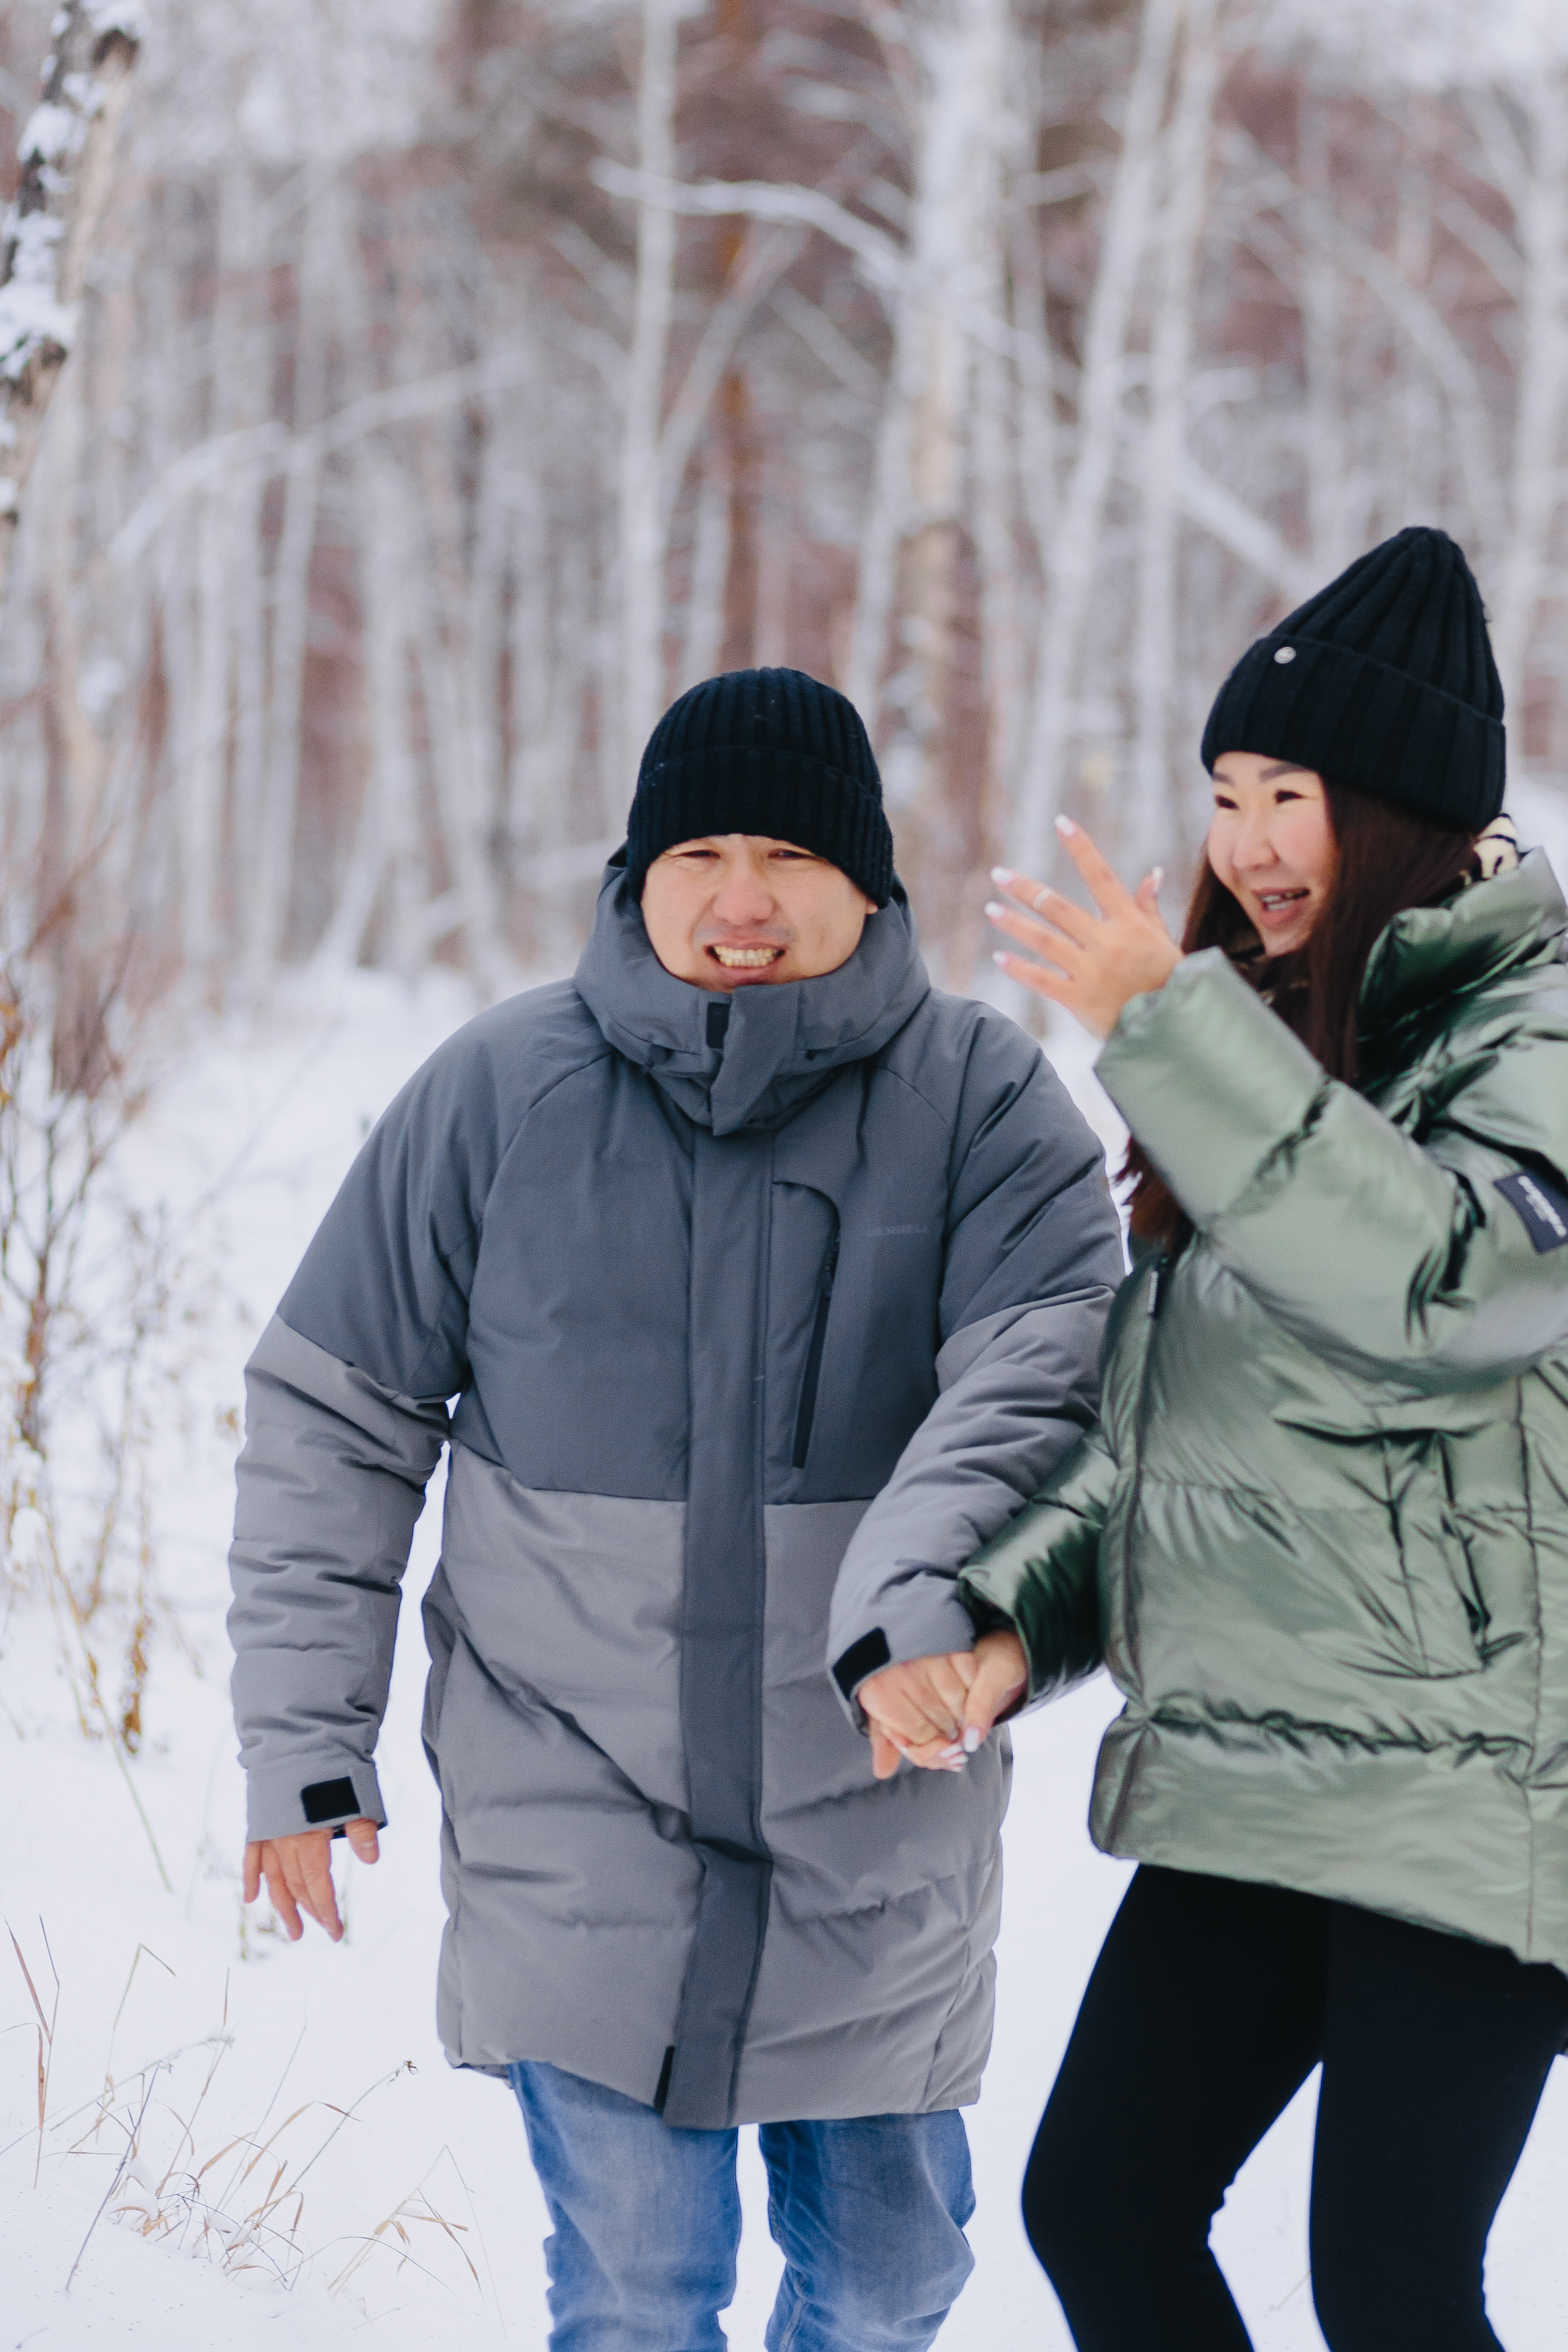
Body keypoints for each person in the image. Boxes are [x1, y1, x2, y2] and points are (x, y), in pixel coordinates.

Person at [228, 666, 1125, 2352]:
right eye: (699, 849)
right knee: (639, 2291)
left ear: (869, 881)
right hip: (575, 1801)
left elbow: (1052, 1386)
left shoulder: (985, 1110)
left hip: (876, 1816)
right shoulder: (498, 1094)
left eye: (789, 854)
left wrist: (926, 1610)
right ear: (636, 873)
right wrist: (302, 1740)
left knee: (889, 2285)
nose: (742, 900)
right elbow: (332, 1418)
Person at [844, 527, 1568, 2351]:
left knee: (1393, 2287)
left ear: (1400, 809)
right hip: (1261, 1760)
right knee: (1102, 2209)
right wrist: (1015, 1631)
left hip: (1487, 1779)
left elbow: (1450, 1291)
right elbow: (1184, 1433)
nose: (1243, 840)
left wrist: (1169, 1030)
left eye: (1289, 794)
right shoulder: (1264, 1034)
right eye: (1225, 790)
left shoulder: (1536, 1024)